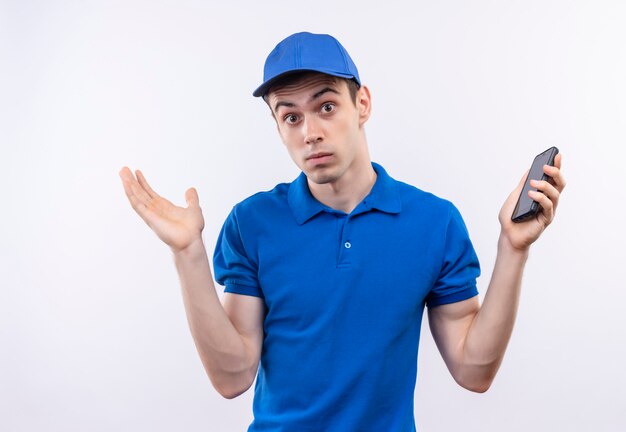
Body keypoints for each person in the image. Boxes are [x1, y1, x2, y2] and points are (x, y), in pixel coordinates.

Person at [119, 32, 565, 431]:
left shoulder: (434, 222)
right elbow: (232, 377)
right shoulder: (251, 223)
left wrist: (513, 248)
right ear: (277, 127)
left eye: (326, 106)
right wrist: (187, 254)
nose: (310, 132)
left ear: (363, 104)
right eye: (290, 117)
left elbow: (474, 370)